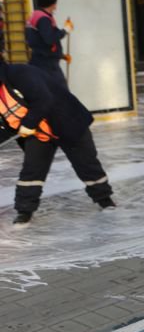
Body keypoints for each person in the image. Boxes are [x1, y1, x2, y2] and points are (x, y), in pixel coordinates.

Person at [0, 56, 115, 225]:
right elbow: (4, 123)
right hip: (39, 132)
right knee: (32, 170)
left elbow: (43, 99)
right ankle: (24, 211)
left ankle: (104, 200)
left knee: (86, 163)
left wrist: (28, 123)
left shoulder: (20, 74)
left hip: (67, 122)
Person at [26, 0, 70, 81]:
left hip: (38, 59)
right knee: (60, 90)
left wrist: (61, 55)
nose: (55, 6)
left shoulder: (35, 15)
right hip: (47, 64)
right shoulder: (43, 19)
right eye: (55, 3)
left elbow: (39, 40)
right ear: (52, 4)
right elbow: (50, 39)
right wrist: (65, 30)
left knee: (44, 90)